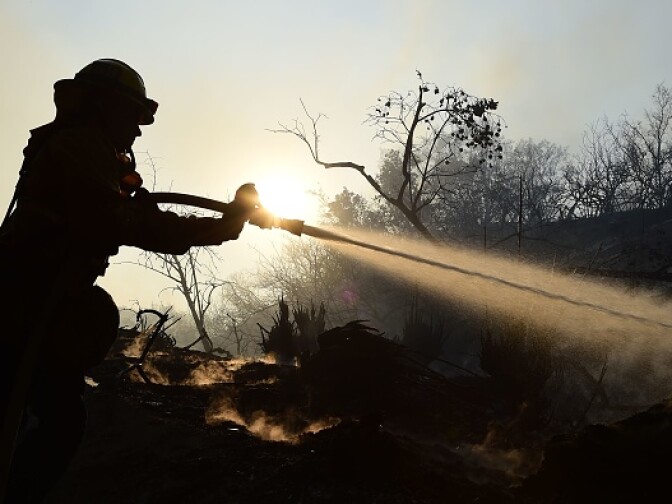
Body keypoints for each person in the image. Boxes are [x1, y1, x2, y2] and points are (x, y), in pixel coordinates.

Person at [0, 58, 271, 503]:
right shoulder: (78, 148)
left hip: (35, 306)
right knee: (45, 421)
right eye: (132, 116)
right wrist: (221, 227)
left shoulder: (89, 156)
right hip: (19, 306)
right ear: (103, 107)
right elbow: (129, 224)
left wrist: (223, 223)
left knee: (56, 420)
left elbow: (137, 216)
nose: (139, 131)